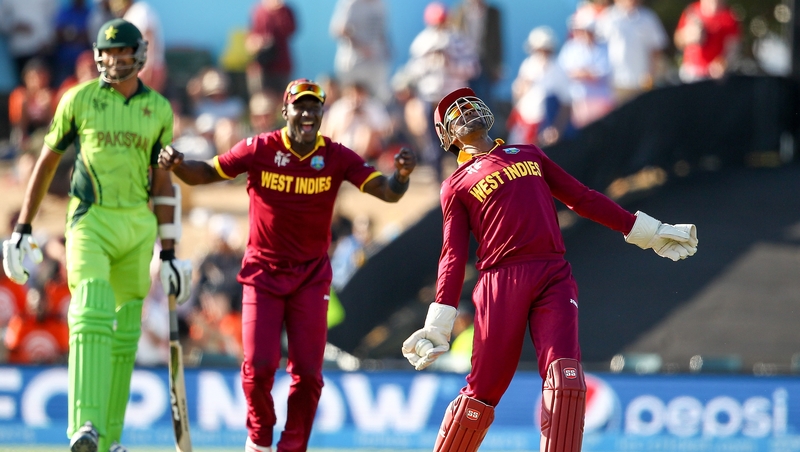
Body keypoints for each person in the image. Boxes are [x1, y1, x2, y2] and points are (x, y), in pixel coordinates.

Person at [401, 87, 697, 452]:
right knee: (482, 393)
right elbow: (452, 254)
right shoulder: (456, 185)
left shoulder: (529, 153)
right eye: (453, 113)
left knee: (566, 382)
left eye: (467, 103)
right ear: (447, 137)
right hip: (500, 282)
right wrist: (438, 323)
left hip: (553, 274)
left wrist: (646, 232)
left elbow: (582, 197)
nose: (464, 110)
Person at [158, 78, 417, 452]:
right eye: (301, 106)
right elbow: (205, 174)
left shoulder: (336, 156)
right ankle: (259, 440)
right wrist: (178, 164)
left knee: (309, 374)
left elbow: (387, 193)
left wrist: (402, 177)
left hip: (311, 278)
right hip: (262, 273)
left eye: (315, 107)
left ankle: (292, 447)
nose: (308, 114)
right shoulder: (259, 148)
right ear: (286, 111)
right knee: (259, 365)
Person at [1, 19, 192, 452]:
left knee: (126, 331)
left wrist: (170, 253)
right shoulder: (79, 99)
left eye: (122, 53)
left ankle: (109, 440)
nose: (113, 60)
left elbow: (162, 185)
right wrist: (22, 228)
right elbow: (46, 163)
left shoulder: (159, 110)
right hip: (90, 220)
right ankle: (84, 425)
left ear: (138, 56)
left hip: (137, 226)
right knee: (91, 307)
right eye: (106, 53)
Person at [594, 0, 668, 103]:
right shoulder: (607, 17)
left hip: (641, 81)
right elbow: (597, 47)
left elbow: (656, 49)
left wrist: (651, 75)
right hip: (613, 81)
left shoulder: (648, 17)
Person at [329, 0, 392, 104]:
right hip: (353, 63)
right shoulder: (351, 3)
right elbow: (338, 29)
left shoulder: (381, 4)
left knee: (376, 102)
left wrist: (386, 49)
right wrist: (361, 47)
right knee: (350, 101)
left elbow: (382, 31)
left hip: (376, 63)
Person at [674, 0, 740, 83]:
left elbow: (733, 49)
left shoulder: (729, 17)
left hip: (714, 76)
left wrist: (722, 64)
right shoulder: (691, 11)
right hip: (690, 73)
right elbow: (678, 40)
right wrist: (688, 35)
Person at [109, 0, 167, 93]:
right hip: (136, 69)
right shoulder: (129, 14)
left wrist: (148, 65)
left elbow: (149, 38)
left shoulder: (141, 11)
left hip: (147, 68)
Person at [246, 0, 296, 96]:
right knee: (262, 96)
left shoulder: (286, 11)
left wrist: (279, 11)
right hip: (262, 64)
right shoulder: (258, 11)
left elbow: (290, 30)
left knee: (282, 96)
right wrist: (259, 42)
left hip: (281, 63)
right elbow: (250, 38)